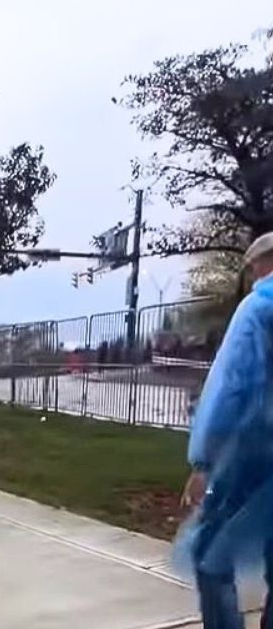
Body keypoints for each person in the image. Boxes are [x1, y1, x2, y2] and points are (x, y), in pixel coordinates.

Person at [178, 232, 273, 629]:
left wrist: (204, 462)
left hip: (250, 454)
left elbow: (230, 387)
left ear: (262, 264)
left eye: (253, 268)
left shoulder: (257, 310)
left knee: (210, 555)